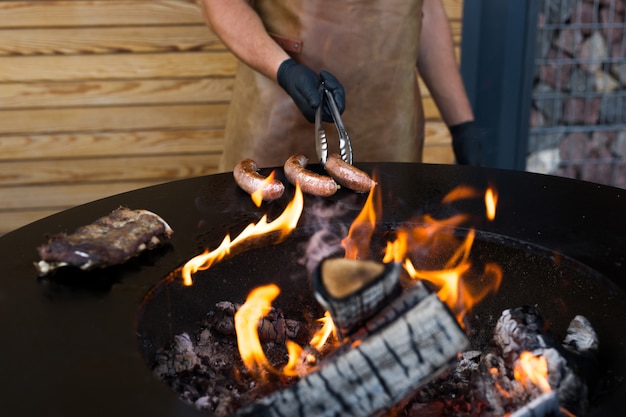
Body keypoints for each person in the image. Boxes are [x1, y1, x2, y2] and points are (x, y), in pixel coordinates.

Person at [200, 0, 482, 172]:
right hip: (281, 119)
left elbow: (426, 10)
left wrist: (461, 126)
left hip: (391, 130)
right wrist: (284, 70)